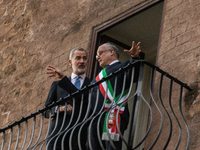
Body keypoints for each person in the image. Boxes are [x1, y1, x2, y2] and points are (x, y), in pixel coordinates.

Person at [49, 41, 141, 150]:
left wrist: (134, 58)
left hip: (113, 116)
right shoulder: (95, 80)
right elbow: (81, 97)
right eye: (97, 55)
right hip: (95, 122)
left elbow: (134, 76)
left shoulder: (123, 66)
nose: (97, 57)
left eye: (100, 53)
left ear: (111, 52)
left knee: (111, 147)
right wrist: (63, 78)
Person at [43, 47, 92, 150]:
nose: (82, 61)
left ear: (87, 62)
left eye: (84, 58)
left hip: (79, 137)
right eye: (78, 58)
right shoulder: (57, 85)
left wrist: (63, 79)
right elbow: (46, 111)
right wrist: (60, 109)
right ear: (70, 62)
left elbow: (80, 97)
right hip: (57, 136)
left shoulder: (92, 84)